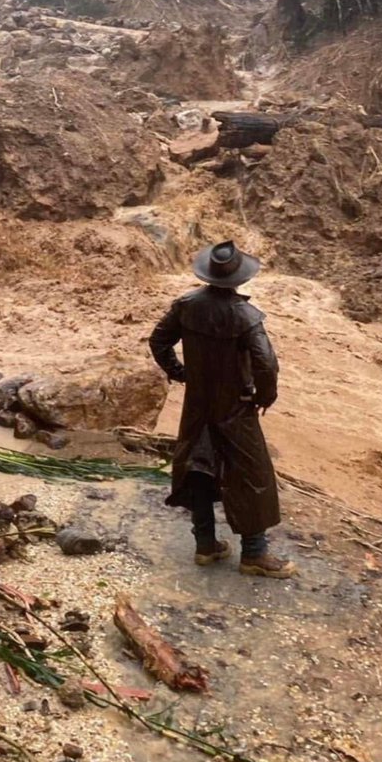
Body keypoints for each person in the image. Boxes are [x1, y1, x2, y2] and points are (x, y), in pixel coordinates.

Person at [148, 239, 296, 579]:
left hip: (198, 403)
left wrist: (181, 373)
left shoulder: (186, 305)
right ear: (239, 279)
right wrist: (264, 397)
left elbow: (158, 341)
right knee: (251, 474)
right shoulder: (246, 316)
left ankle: (205, 545)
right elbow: (266, 363)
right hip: (236, 406)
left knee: (198, 466)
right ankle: (254, 554)